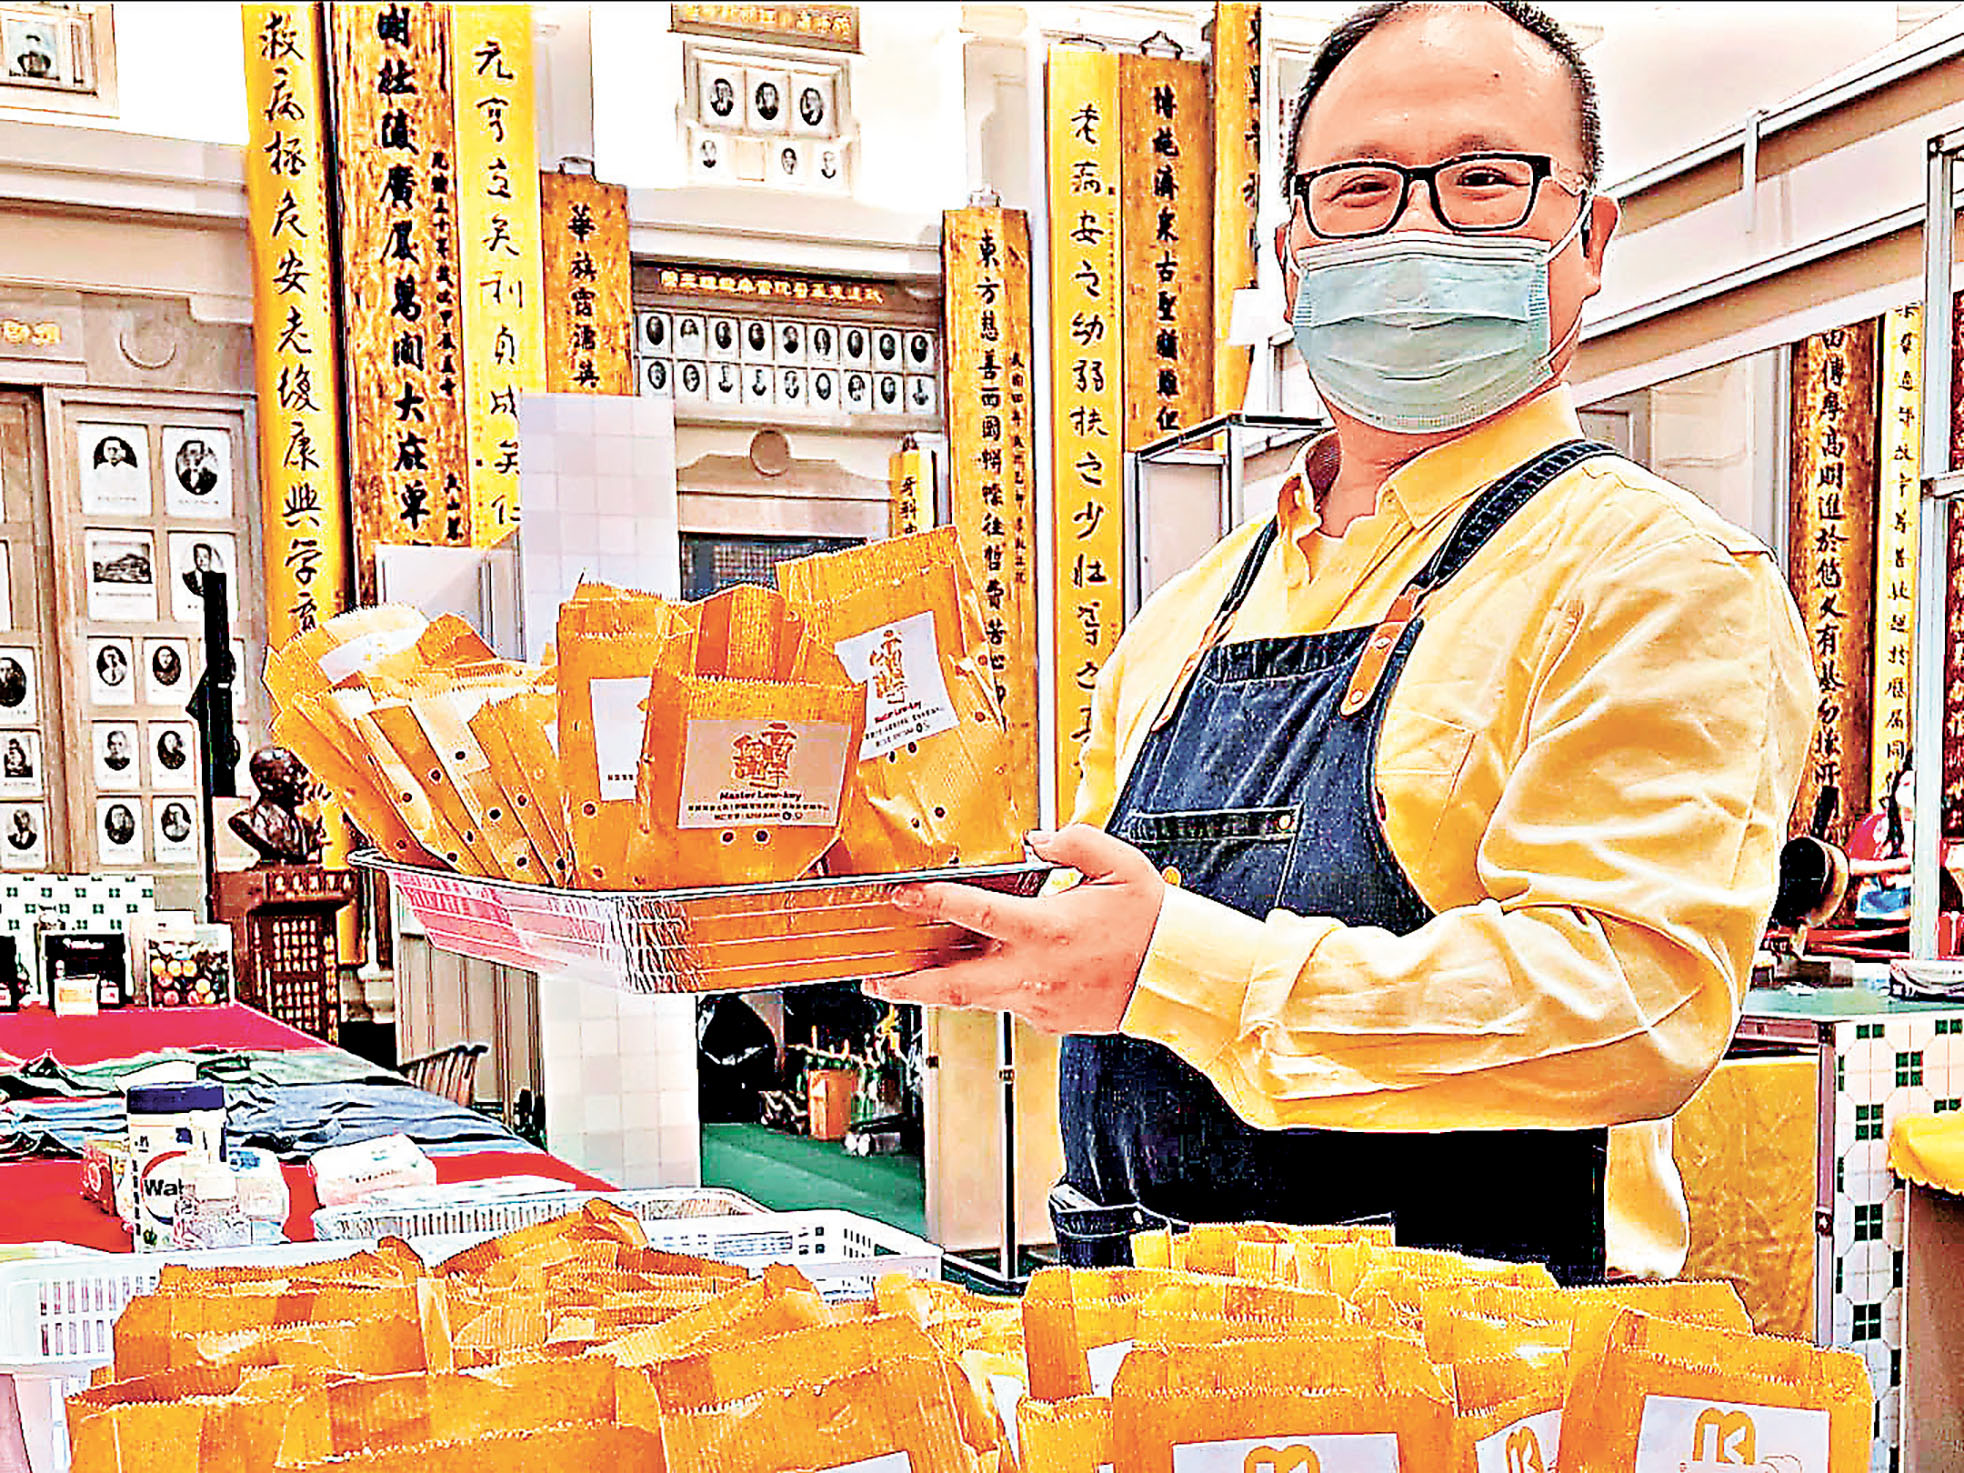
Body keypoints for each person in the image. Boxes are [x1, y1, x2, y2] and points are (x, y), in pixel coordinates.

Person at [877, 0, 1816, 1285]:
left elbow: (1626, 1004)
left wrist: (1177, 968)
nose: (1415, 232)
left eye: (1482, 181)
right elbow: (1095, 940)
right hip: (1127, 1330)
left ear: (1588, 236)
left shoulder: (1654, 578)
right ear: (1293, 251)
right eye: (1361, 189)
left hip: (1479, 1363)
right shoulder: (1182, 617)